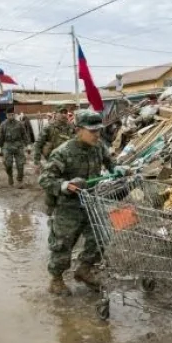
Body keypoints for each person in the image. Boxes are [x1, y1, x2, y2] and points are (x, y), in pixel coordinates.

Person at [39, 110, 127, 296]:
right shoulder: (62, 153)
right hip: (68, 207)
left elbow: (109, 162)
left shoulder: (99, 147)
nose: (97, 135)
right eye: (92, 131)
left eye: (99, 130)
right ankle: (56, 280)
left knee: (101, 237)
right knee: (63, 245)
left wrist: (117, 168)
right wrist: (64, 184)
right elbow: (45, 179)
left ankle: (84, 270)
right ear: (78, 130)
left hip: (91, 203)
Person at [0, 108, 30, 188]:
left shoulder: (20, 124)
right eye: (9, 115)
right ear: (6, 115)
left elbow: (24, 135)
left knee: (20, 164)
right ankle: (10, 176)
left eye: (12, 114)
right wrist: (0, 148)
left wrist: (28, 145)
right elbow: (1, 137)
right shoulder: (3, 124)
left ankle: (19, 180)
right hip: (7, 146)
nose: (11, 116)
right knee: (8, 164)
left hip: (18, 145)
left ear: (14, 114)